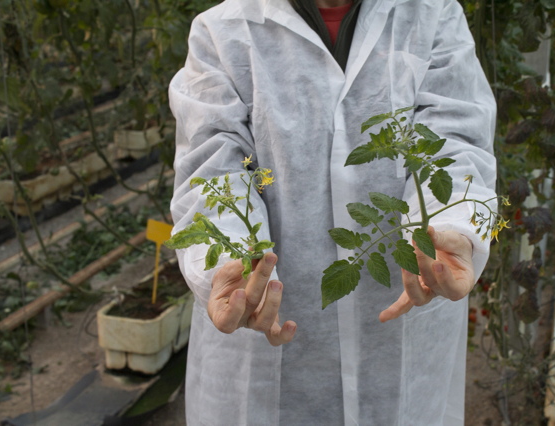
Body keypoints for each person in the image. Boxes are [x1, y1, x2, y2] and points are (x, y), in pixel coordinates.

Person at [169, 0, 497, 424]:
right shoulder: (223, 31)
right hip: (268, 337)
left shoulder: (431, 13)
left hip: (397, 330)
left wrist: (449, 224)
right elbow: (212, 167)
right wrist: (232, 256)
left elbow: (455, 139)